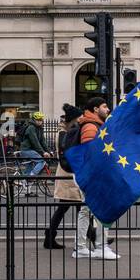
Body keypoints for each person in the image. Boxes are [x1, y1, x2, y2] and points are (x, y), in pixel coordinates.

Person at [74, 96, 118, 260]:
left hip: (89, 174)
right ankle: (100, 247)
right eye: (105, 106)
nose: (108, 110)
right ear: (95, 109)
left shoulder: (94, 125)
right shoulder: (91, 127)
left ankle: (80, 248)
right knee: (100, 210)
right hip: (93, 175)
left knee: (86, 211)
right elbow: (90, 153)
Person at [44, 104, 84, 250]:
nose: (81, 119)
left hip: (68, 173)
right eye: (79, 117)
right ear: (73, 119)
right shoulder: (64, 134)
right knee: (81, 207)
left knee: (65, 208)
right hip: (68, 174)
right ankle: (91, 237)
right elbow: (67, 154)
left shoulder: (66, 131)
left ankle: (49, 237)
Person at [18, 111, 48, 182]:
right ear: (34, 120)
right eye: (38, 120)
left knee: (29, 169)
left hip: (31, 150)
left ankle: (25, 184)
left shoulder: (40, 128)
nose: (40, 121)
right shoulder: (31, 127)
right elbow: (35, 142)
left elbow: (42, 142)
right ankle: (32, 176)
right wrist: (43, 152)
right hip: (26, 150)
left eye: (41, 120)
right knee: (42, 161)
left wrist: (48, 151)